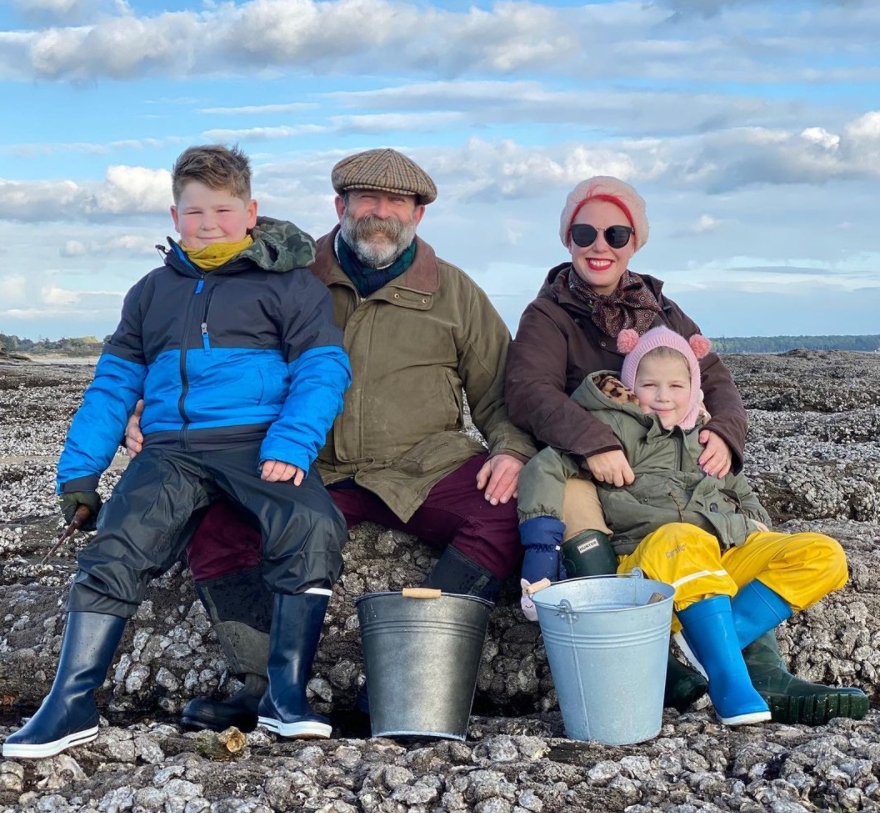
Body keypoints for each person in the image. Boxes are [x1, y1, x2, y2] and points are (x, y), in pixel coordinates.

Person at [124, 148, 537, 733]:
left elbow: (498, 392)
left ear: (418, 214)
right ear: (340, 205)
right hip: (305, 462)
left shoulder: (457, 293)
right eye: (366, 199)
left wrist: (510, 449)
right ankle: (257, 683)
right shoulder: (284, 276)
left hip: (422, 464)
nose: (380, 213)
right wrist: (147, 410)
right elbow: (200, 351)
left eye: (397, 202)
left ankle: (412, 672)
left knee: (504, 512)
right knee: (218, 528)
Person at [2, 145, 351, 759]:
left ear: (251, 210)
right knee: (115, 546)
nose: (209, 223)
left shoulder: (291, 284)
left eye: (222, 209)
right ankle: (70, 704)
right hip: (170, 450)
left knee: (313, 524)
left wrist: (292, 443)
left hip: (257, 441)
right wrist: (79, 471)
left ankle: (284, 697)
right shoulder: (151, 292)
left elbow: (322, 368)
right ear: (173, 214)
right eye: (194, 212)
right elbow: (113, 383)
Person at [505, 175, 867, 725]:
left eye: (616, 232)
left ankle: (750, 667)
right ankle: (646, 651)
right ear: (568, 239)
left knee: (739, 525)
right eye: (584, 231)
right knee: (588, 501)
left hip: (670, 457)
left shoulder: (663, 312)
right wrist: (595, 440)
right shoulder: (548, 314)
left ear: (635, 242)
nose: (599, 244)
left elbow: (716, 380)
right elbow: (528, 392)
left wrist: (724, 432)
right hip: (591, 462)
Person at [517, 326, 867, 725]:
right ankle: (729, 680)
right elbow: (543, 467)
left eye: (676, 385)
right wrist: (540, 551)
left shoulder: (707, 439)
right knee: (683, 538)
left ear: (693, 388)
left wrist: (754, 525)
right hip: (651, 566)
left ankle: (718, 644)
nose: (663, 395)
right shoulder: (613, 432)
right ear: (631, 386)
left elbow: (744, 495)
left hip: (718, 560)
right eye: (649, 385)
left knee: (824, 554)